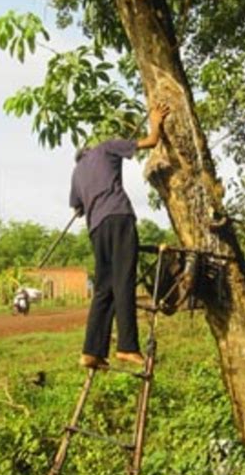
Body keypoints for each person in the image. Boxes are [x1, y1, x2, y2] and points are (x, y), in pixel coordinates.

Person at [70, 104, 170, 369]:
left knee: (104, 288)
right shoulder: (106, 147)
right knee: (123, 282)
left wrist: (88, 200)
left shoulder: (77, 173)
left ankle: (91, 351)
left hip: (96, 229)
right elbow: (151, 141)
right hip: (118, 217)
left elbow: (77, 209)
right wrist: (156, 120)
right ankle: (127, 347)